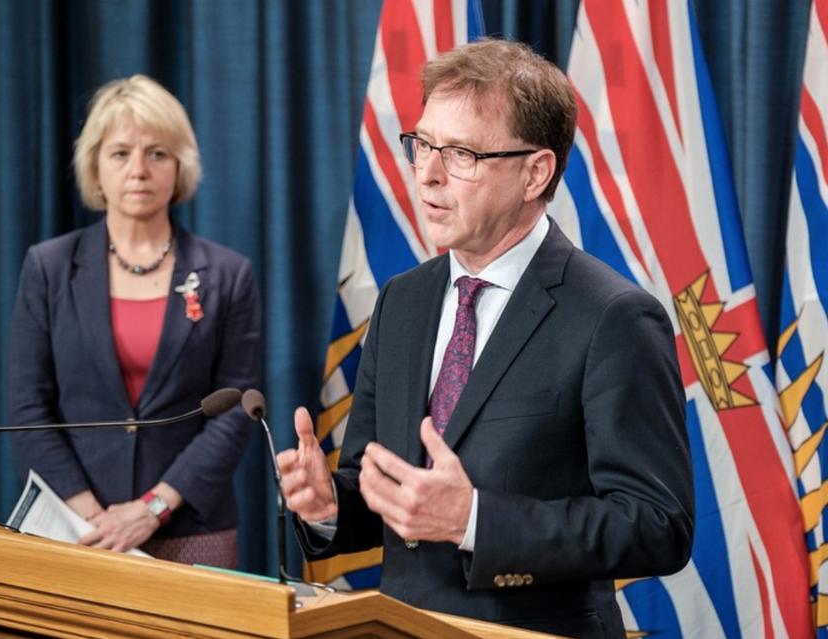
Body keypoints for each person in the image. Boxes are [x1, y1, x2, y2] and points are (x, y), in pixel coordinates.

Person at [276, 39, 694, 638]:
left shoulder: (615, 317)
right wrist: (328, 507)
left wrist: (474, 520)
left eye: (462, 153)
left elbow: (657, 526)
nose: (428, 173)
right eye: (421, 145)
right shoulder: (402, 301)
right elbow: (387, 490)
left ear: (535, 172)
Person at [7, 74, 260, 568]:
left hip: (191, 530)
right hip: (77, 532)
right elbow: (28, 411)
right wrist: (95, 520)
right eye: (121, 153)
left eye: (157, 153)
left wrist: (152, 509)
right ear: (96, 168)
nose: (138, 169)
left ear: (179, 166)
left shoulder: (229, 274)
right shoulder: (49, 267)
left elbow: (236, 412)